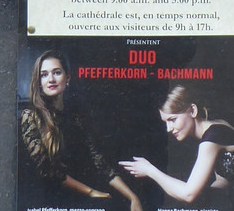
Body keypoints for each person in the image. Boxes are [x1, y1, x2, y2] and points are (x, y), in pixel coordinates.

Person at [19, 50, 143, 211]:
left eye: (57, 72)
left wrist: (133, 197)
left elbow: (100, 163)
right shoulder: (30, 116)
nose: (50, 79)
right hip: (43, 201)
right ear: (38, 81)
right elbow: (48, 171)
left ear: (67, 78)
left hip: (74, 197)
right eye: (44, 75)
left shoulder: (75, 119)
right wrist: (91, 192)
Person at [118, 85, 234, 210]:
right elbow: (223, 181)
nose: (169, 129)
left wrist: (150, 170)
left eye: (173, 120)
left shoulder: (211, 139)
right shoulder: (217, 127)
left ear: (192, 110)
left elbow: (188, 194)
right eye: (166, 122)